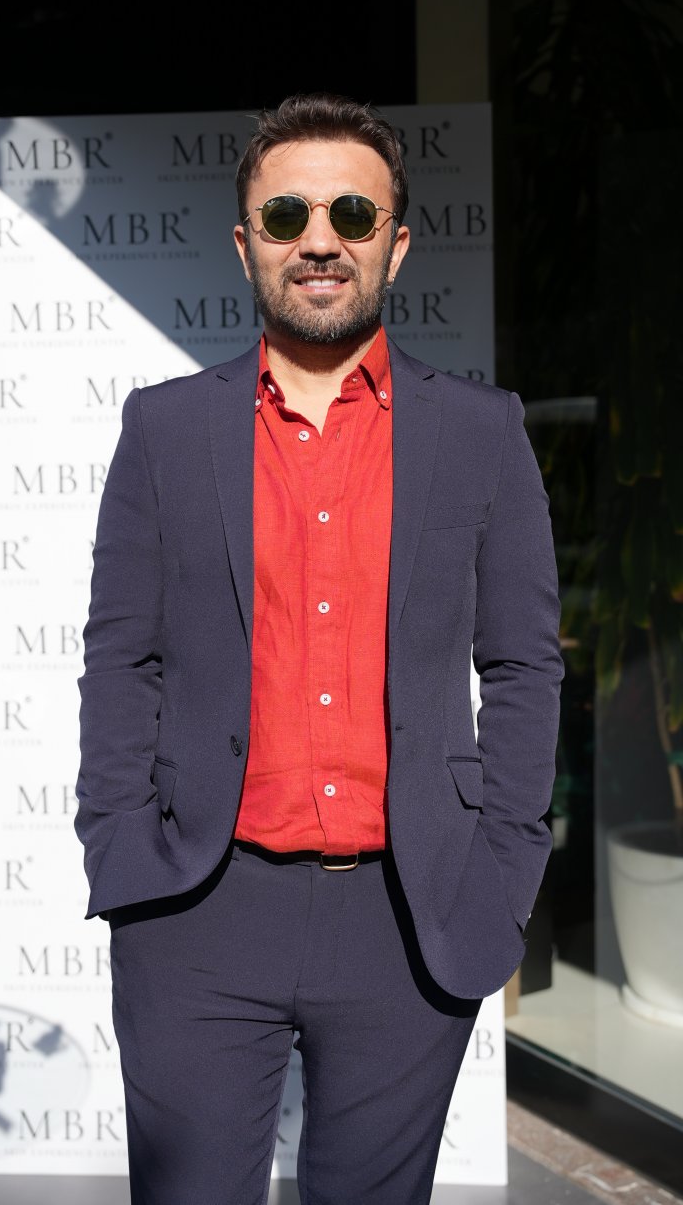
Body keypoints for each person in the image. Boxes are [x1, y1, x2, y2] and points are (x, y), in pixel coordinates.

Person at [74, 93, 564, 1205]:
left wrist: (501, 869)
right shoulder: (164, 428)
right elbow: (121, 659)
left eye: (351, 212)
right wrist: (122, 850)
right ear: (245, 240)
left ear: (398, 240)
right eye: (287, 214)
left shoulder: (482, 430)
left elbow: (524, 664)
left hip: (409, 913)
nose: (319, 240)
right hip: (195, 913)